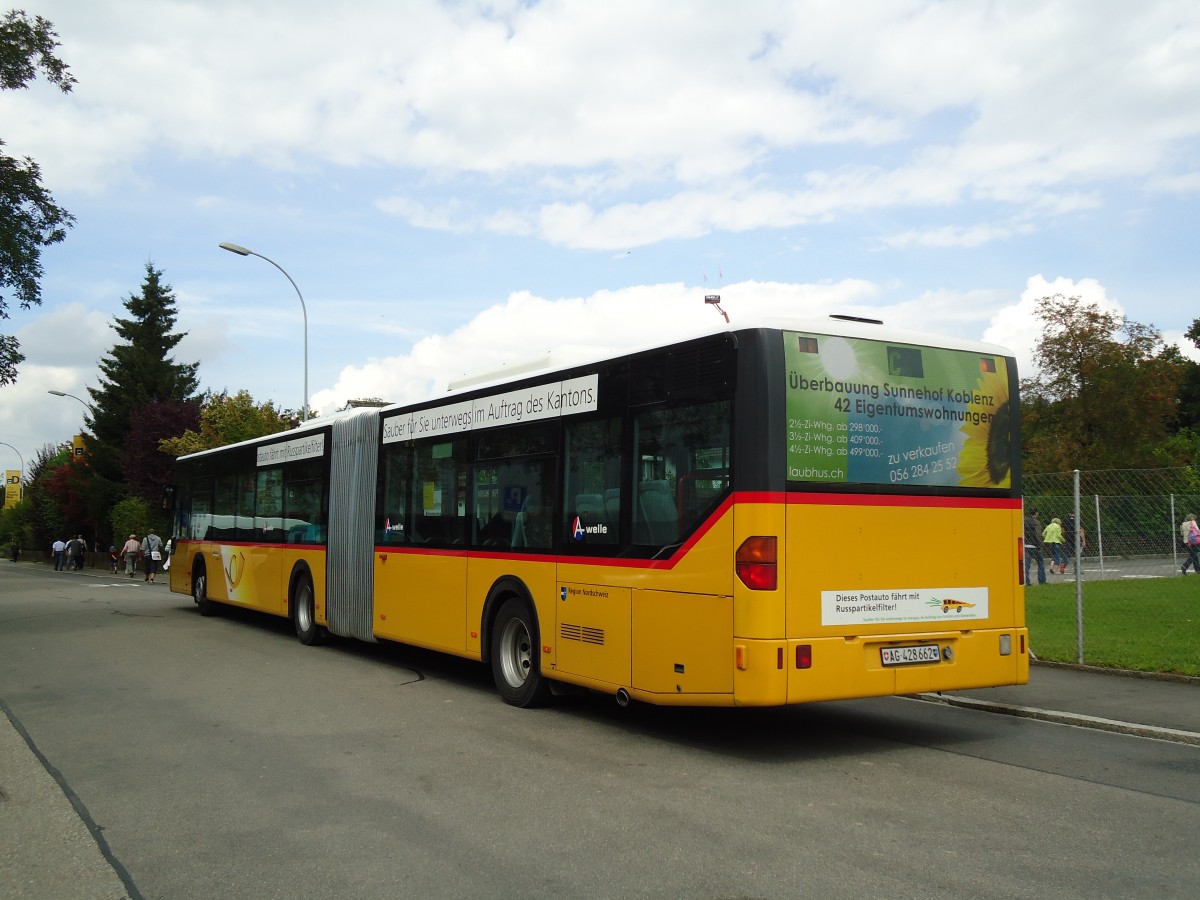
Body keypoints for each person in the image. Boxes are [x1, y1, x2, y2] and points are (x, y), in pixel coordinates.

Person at [1024, 508, 1046, 585]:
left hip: (1025, 545)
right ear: (1036, 513)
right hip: (1034, 546)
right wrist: (1040, 545)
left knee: (1026, 565)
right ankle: (1042, 580)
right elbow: (1038, 535)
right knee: (1040, 563)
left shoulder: (1024, 521)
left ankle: (1026, 581)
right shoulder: (1036, 522)